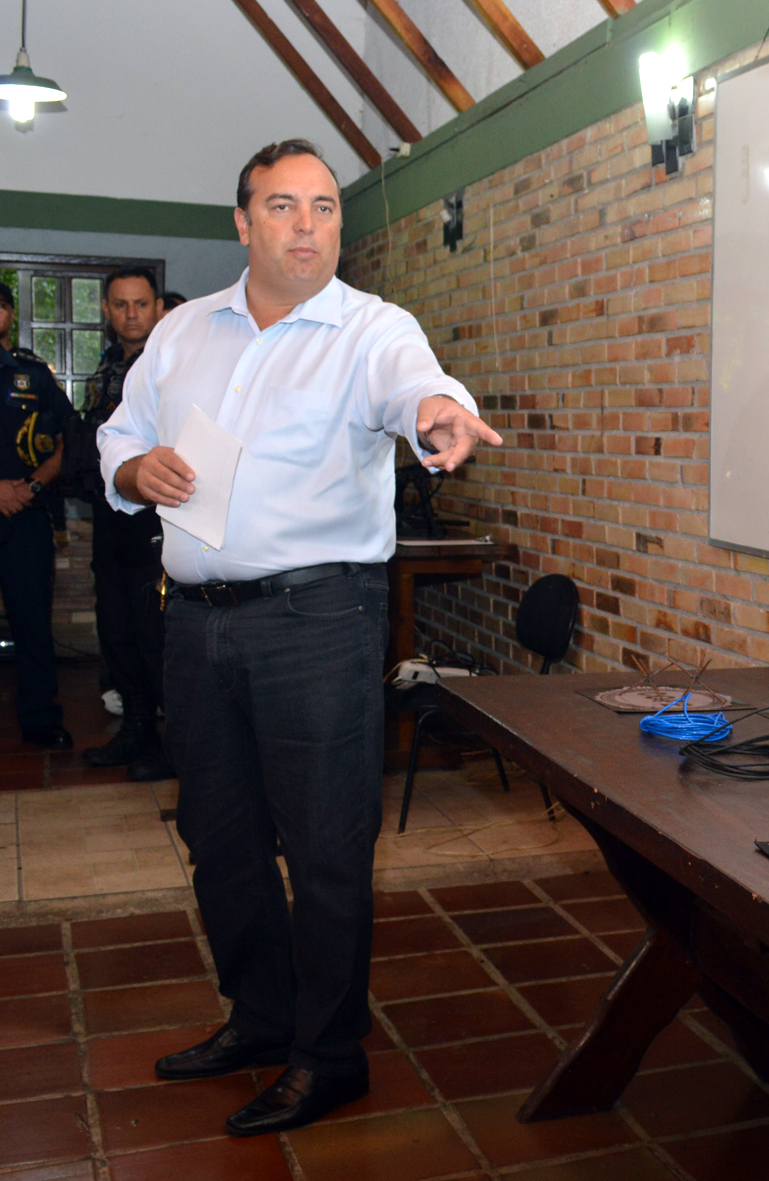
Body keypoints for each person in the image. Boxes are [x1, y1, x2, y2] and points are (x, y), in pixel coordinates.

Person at [97, 140, 501, 1136]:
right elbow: (119, 435)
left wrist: (441, 412)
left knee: (325, 846)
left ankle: (328, 1055)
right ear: (243, 223)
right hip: (196, 623)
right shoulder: (181, 332)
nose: (308, 225)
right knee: (218, 838)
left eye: (324, 206)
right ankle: (261, 1015)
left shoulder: (371, 329)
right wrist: (136, 470)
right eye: (283, 205)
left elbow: (416, 388)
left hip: (317, 622)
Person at [75, 266, 172, 780]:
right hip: (109, 516)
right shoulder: (108, 365)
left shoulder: (171, 364)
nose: (131, 314)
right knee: (116, 628)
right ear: (107, 311)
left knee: (155, 633)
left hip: (155, 520)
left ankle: (174, 744)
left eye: (140, 303)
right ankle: (137, 730)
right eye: (120, 305)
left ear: (158, 308)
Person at [0, 281, 73, 750]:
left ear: (10, 313)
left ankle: (41, 718)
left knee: (31, 623)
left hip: (26, 517)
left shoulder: (34, 375)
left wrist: (30, 488)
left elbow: (67, 442)